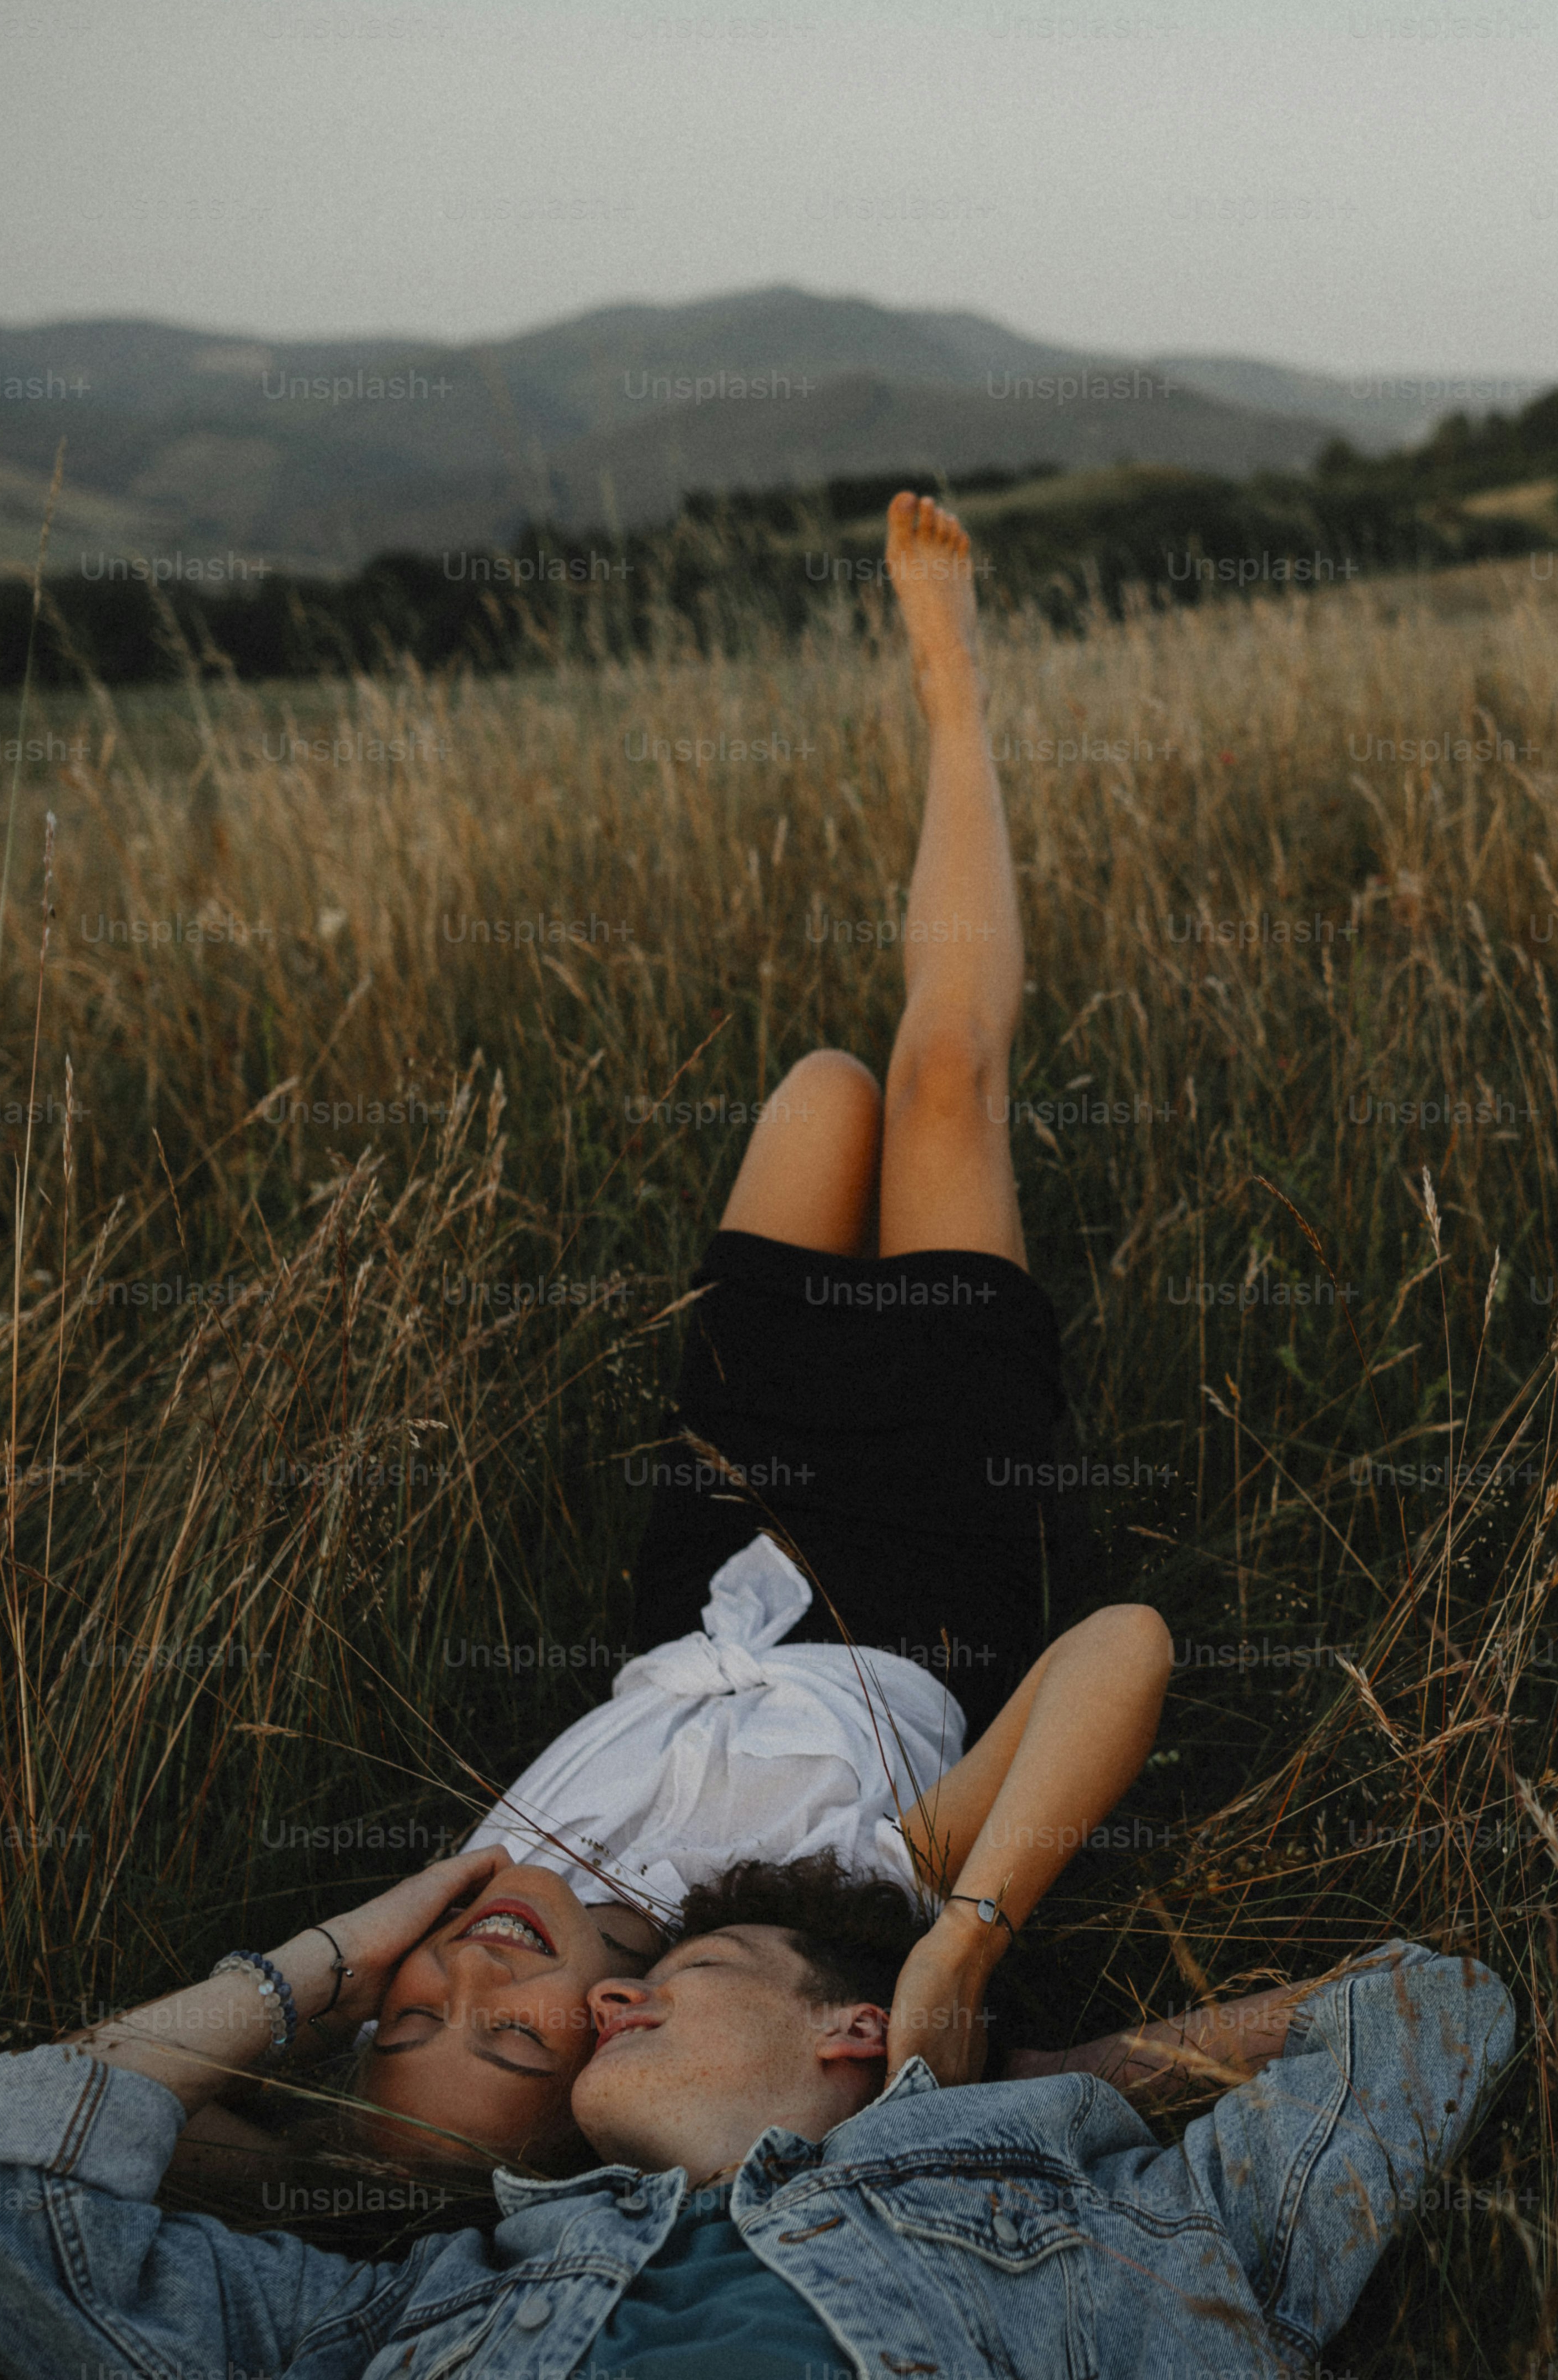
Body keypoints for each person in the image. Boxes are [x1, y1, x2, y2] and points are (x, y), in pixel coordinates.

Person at [171, 489, 1165, 2182]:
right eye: (504, 2040)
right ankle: (952, 688)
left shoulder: (479, 1891)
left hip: (716, 1516)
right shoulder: (832, 1895)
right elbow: (1121, 1640)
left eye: (402, 2017)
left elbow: (78, 2108)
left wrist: (356, 1952)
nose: (468, 1983)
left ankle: (931, 736)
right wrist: (968, 1939)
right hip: (920, 1542)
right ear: (601, 2054)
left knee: (817, 1090)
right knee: (931, 1076)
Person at [0, 1848, 1519, 2380]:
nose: (622, 1995)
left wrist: (973, 2063)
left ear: (849, 2026)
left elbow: (1421, 2008)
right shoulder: (418, 2304)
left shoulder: (1098, 2225)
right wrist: (319, 1965)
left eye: (701, 1964)